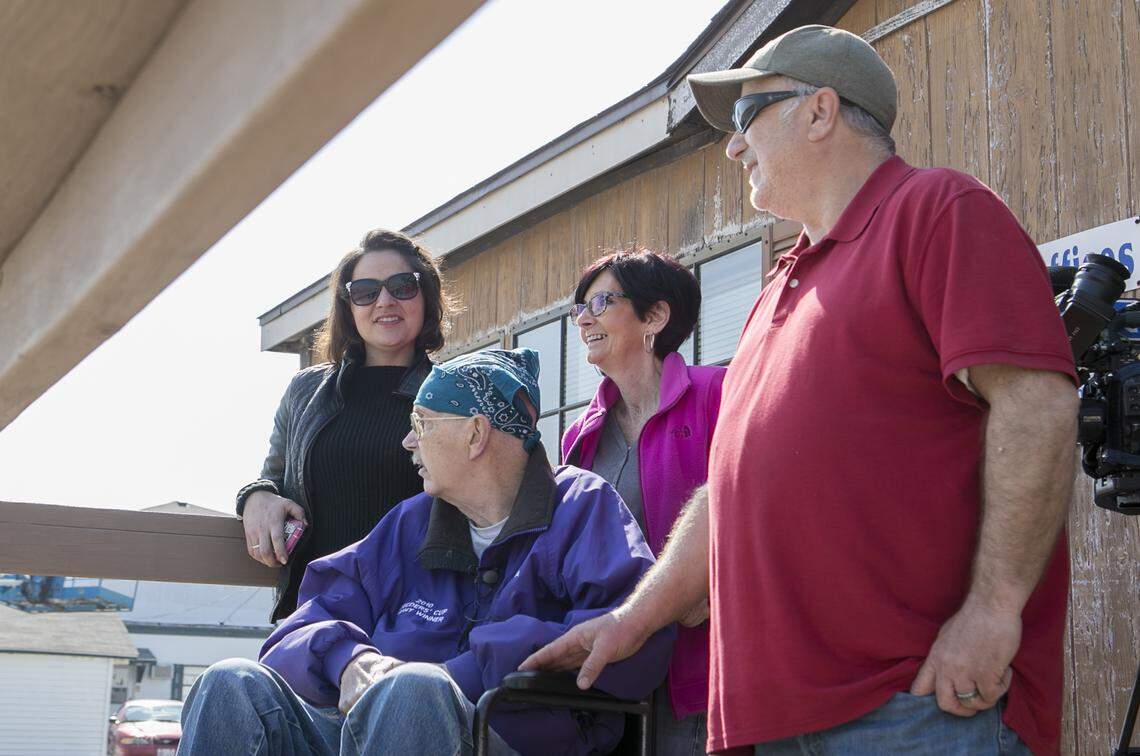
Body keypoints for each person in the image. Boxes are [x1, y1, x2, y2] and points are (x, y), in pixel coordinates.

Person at [522, 24, 1079, 756]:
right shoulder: (777, 287)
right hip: (775, 718)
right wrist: (634, 620)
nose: (733, 145)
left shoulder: (936, 209)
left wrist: (994, 611)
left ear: (820, 112)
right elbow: (725, 493)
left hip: (915, 706)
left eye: (749, 116)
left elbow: (1037, 403)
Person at [180, 349, 675, 756]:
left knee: (416, 691)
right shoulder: (411, 521)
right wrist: (348, 661)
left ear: (476, 433)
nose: (407, 441)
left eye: (422, 421)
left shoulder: (581, 506)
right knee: (231, 683)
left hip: (510, 735)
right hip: (372, 728)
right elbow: (303, 622)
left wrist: (461, 670)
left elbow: (634, 637)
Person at [235, 229, 451, 621]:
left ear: (426, 297)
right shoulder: (305, 391)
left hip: (415, 618)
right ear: (348, 305)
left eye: (402, 286)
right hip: (315, 614)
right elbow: (273, 478)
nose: (385, 300)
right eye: (366, 290)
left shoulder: (454, 393)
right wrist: (255, 496)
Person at [561, 248, 725, 753]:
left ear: (655, 316)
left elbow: (764, 507)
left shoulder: (719, 394)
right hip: (612, 681)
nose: (584, 318)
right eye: (580, 308)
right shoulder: (578, 439)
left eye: (602, 301)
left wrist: (712, 591)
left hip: (702, 668)